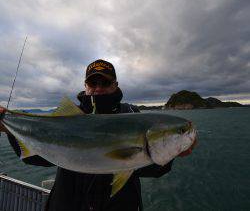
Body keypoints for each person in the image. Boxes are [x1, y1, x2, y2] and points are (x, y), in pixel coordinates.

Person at [0, 59, 195, 211]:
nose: (99, 87)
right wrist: (9, 128)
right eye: (93, 82)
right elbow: (36, 158)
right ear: (85, 85)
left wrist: (171, 154)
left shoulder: (134, 115)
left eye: (105, 82)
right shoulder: (64, 119)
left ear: (115, 85)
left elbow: (152, 170)